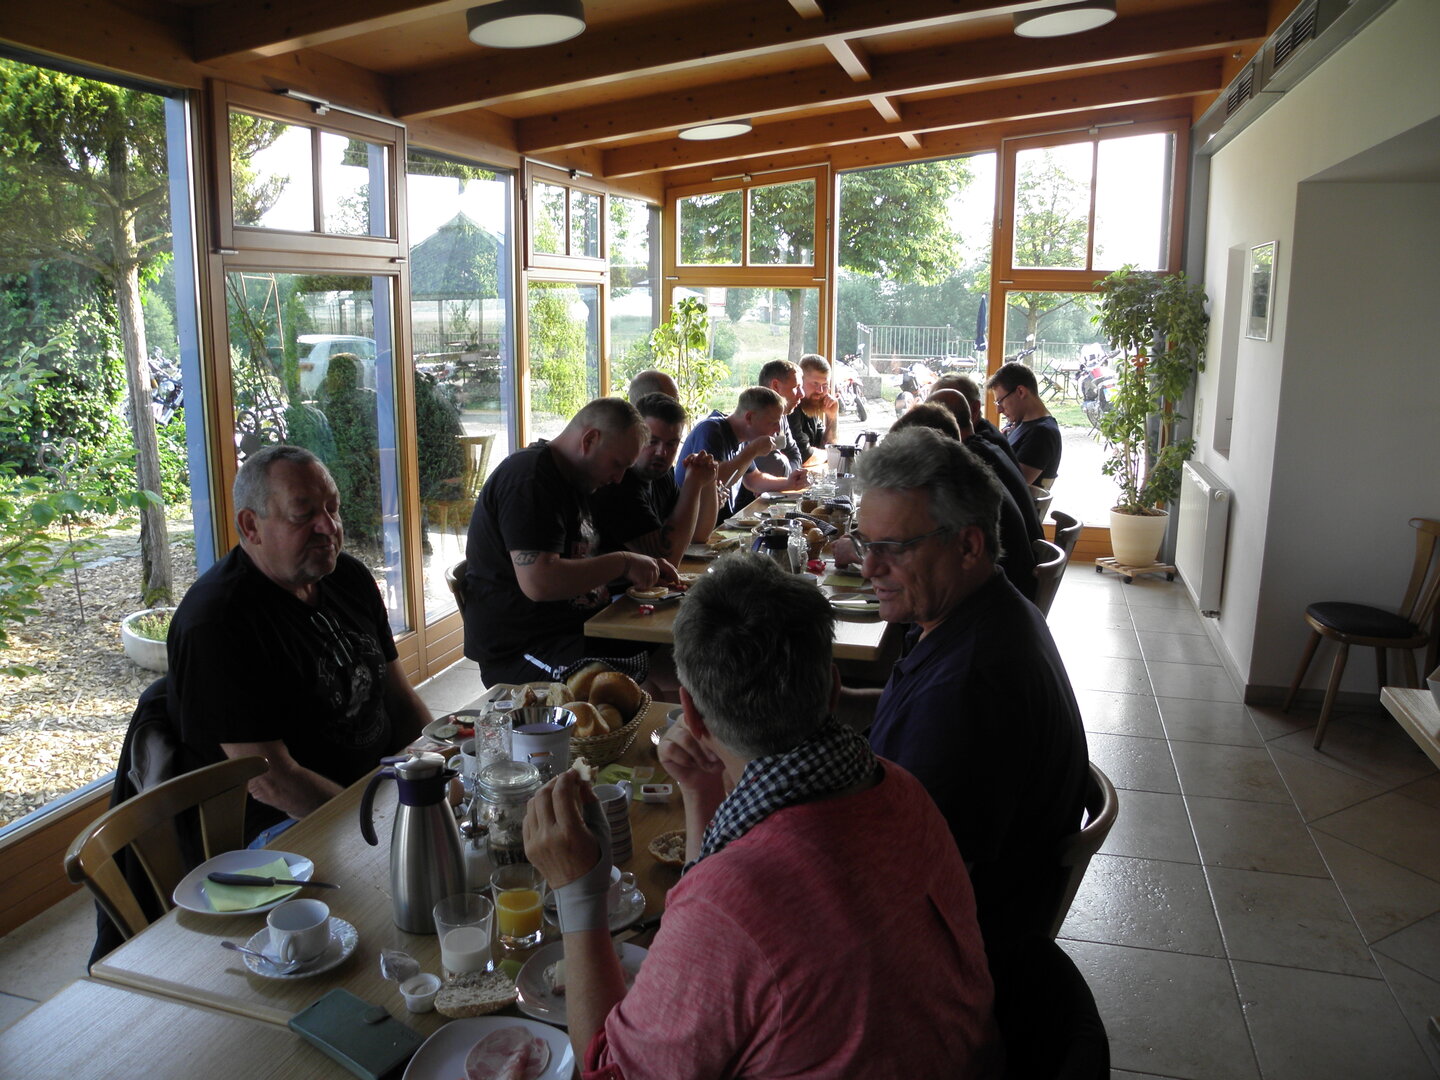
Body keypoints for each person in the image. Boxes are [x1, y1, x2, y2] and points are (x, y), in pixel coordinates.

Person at [524, 554, 1001, 1079]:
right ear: (833, 690)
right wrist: (701, 794)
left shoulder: (730, 905)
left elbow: (609, 1072)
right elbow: (722, 903)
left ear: (691, 712)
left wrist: (577, 892)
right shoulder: (902, 788)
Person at [838, 427, 1088, 952]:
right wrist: (839, 705)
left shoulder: (971, 688)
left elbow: (909, 891)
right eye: (865, 543)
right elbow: (916, 713)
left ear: (968, 546)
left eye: (892, 548)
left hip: (954, 950)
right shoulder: (984, 613)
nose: (869, 566)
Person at [167, 445, 432, 845]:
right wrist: (374, 826)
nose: (328, 526)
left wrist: (434, 768)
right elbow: (273, 782)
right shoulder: (217, 622)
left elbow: (400, 699)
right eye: (303, 514)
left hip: (375, 789)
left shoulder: (347, 576)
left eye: (333, 508)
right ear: (251, 526)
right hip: (282, 826)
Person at [463, 398, 677, 685]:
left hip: (577, 631)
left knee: (684, 660)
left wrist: (643, 565)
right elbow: (539, 582)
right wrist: (624, 563)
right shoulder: (530, 478)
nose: (618, 478)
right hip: (524, 649)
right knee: (652, 685)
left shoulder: (576, 479)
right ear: (589, 440)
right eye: (617, 465)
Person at [890, 403, 1039, 602]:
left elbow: (923, 565)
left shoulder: (958, 491)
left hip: (992, 603)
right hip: (1011, 592)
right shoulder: (976, 466)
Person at [591, 392, 720, 567]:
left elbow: (699, 536)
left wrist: (709, 479)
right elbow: (667, 560)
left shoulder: (661, 474)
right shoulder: (618, 484)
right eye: (652, 441)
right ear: (634, 436)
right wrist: (693, 483)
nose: (662, 452)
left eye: (671, 444)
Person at [929, 389, 1044, 543]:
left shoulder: (969, 462)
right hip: (1027, 549)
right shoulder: (989, 445)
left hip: (1008, 556)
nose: (998, 410)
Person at [675, 386, 808, 518]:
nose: (778, 429)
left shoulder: (745, 438)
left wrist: (789, 483)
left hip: (722, 520)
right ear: (749, 417)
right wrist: (752, 451)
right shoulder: (711, 429)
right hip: (692, 523)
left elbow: (753, 480)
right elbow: (712, 480)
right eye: (773, 422)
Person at [986, 361, 1061, 488]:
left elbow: (1013, 486)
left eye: (1000, 401)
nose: (999, 410)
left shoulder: (1042, 433)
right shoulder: (1019, 425)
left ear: (1021, 392)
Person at [933, 373, 1020, 468]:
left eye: (943, 408)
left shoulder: (980, 450)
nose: (934, 416)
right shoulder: (983, 434)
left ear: (974, 409)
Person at [752, 358, 804, 474]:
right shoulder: (756, 421)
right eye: (796, 387)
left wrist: (786, 465)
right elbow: (775, 468)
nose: (802, 394)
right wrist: (787, 465)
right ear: (775, 386)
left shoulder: (782, 415)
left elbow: (795, 455)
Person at [790, 352, 838, 464]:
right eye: (815, 383)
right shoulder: (791, 409)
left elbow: (828, 444)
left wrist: (832, 417)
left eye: (825, 385)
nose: (820, 391)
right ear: (800, 382)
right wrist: (831, 453)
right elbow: (804, 456)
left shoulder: (812, 408)